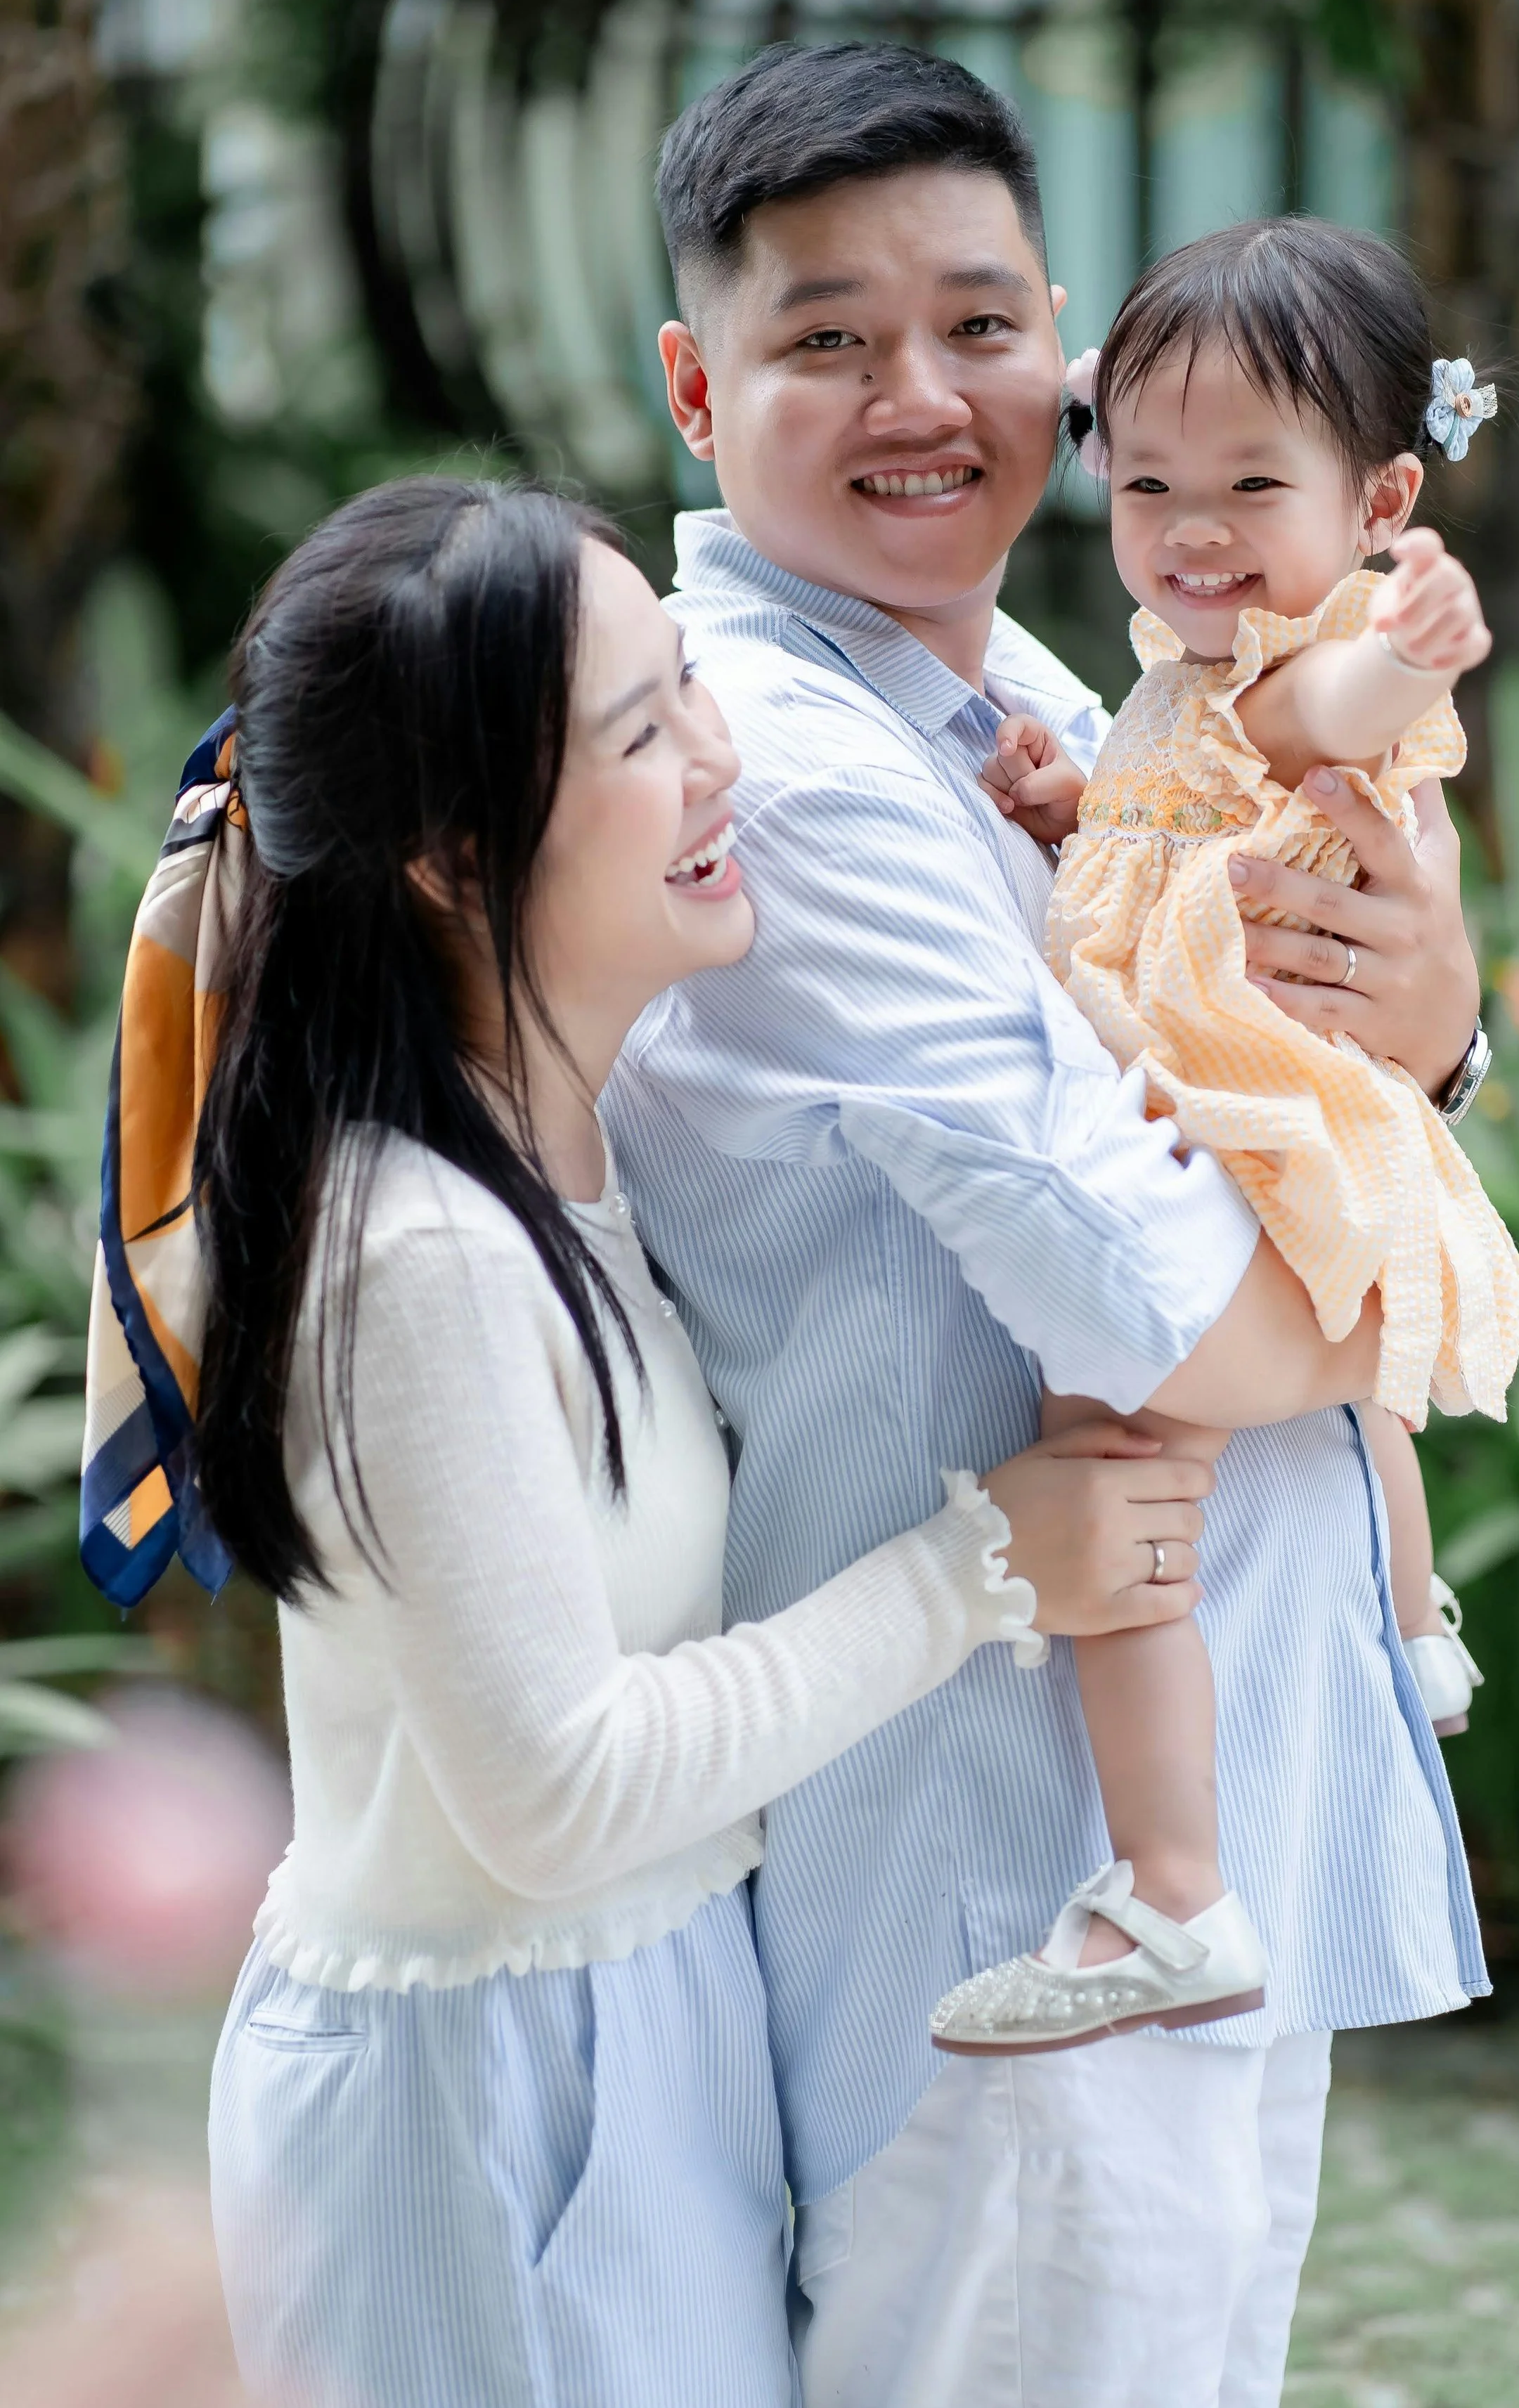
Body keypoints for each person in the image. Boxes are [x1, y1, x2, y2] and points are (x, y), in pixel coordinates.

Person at [81, 475, 1208, 2408]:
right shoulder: (419, 1247)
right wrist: (983, 1566)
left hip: (630, 2026)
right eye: (638, 730)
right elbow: (556, 1790)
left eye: (690, 681)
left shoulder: (583, 1131)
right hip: (484, 2101)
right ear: (450, 851)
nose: (719, 754)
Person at [605, 40, 1491, 2407]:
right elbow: (1163, 1314)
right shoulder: (778, 765)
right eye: (825, 341)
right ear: (698, 387)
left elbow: (1258, 1027)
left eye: (980, 326)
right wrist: (1415, 1275)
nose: (925, 398)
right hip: (1003, 1877)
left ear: (1066, 350)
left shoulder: (1016, 685)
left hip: (1162, 1866)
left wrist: (1437, 1035)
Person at [933, 219, 1519, 2058]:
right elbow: (1165, 805)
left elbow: (1319, 718)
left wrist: (1407, 656)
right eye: (1153, 481)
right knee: (1357, 1372)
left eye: (1251, 483)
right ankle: (1408, 1618)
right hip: (1283, 1110)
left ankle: (1169, 1883)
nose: (1192, 528)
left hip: (1228, 1100)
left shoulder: (1300, 658)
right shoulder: (1171, 679)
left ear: (1379, 498)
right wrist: (1074, 799)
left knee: (1108, 1445)